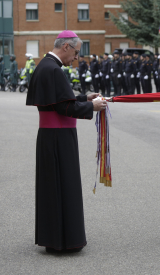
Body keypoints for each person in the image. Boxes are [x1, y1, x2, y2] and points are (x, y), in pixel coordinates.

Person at [26, 30, 107, 253]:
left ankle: (54, 238)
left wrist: (84, 98)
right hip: (58, 138)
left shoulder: (46, 65)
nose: (77, 57)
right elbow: (63, 107)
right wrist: (93, 107)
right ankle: (64, 241)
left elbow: (58, 101)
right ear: (66, 47)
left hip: (52, 136)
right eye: (76, 52)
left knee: (54, 187)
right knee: (63, 185)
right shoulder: (53, 69)